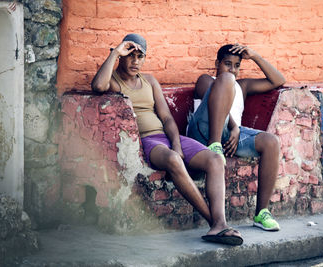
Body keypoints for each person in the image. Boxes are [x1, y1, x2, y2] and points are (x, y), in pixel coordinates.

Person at [91, 34, 243, 245]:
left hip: (167, 137)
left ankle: (220, 223)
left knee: (215, 160)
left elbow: (167, 118)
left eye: (140, 56)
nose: (136, 61)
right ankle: (216, 225)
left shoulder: (149, 81)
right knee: (173, 159)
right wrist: (115, 52)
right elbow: (98, 86)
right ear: (122, 56)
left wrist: (178, 144)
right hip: (147, 142)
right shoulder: (115, 82)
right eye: (130, 55)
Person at [187, 43, 286, 231]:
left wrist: (255, 56)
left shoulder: (243, 86)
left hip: (232, 135)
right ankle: (214, 145)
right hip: (202, 133)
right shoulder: (206, 80)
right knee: (225, 80)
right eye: (227, 64)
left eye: (237, 65)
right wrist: (234, 127)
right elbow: (218, 103)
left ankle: (261, 212)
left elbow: (278, 80)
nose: (232, 69)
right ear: (217, 63)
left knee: (271, 142)